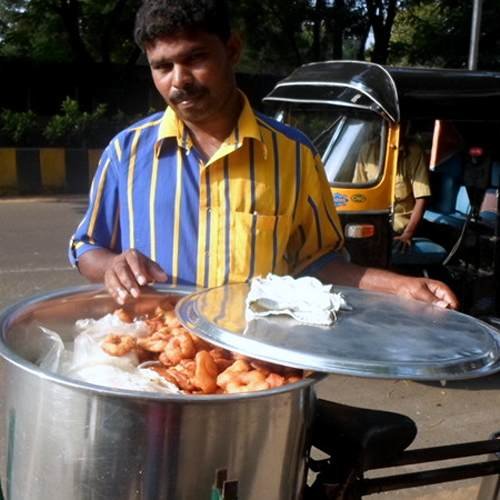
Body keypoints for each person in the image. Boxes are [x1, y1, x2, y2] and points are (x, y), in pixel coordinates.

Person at [68, 0, 458, 310]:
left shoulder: (294, 156)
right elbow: (85, 246)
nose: (179, 80)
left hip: (253, 370)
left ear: (232, 50)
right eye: (163, 66)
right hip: (151, 362)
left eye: (195, 59)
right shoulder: (126, 151)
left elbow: (318, 262)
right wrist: (111, 266)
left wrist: (400, 285)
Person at [353, 123, 431, 253]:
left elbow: (421, 199)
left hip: (400, 228)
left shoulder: (414, 152)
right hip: (371, 226)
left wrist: (407, 234)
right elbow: (357, 194)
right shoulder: (366, 150)